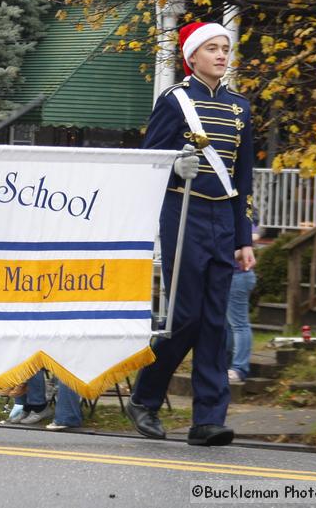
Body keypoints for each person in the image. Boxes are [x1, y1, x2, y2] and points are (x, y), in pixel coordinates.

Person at [125, 22, 254, 447]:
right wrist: (173, 165)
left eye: (225, 48)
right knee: (186, 317)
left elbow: (243, 177)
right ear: (192, 57)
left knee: (215, 322)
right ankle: (145, 396)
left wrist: (244, 238)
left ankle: (208, 419)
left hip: (223, 219)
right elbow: (150, 162)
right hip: (184, 211)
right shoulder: (176, 100)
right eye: (212, 48)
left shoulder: (240, 107)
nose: (221, 55)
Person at [226, 265, 256, 384]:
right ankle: (226, 365)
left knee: (239, 325)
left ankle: (239, 369)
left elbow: (239, 253)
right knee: (228, 325)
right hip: (229, 277)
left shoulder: (241, 246)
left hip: (237, 276)